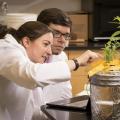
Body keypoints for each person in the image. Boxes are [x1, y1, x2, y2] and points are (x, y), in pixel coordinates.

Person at [0, 21, 100, 120]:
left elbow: (31, 109)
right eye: (45, 44)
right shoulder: (5, 49)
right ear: (26, 42)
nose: (49, 52)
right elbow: (32, 75)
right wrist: (76, 62)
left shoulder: (28, 59)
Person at [37, 8, 73, 103]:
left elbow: (65, 94)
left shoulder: (62, 57)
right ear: (39, 30)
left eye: (66, 35)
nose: (63, 40)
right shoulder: (23, 59)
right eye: (56, 33)